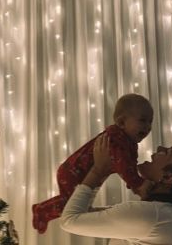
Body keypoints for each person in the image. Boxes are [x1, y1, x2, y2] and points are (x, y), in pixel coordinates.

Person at [32, 94, 154, 233]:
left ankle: (42, 210)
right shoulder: (116, 138)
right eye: (143, 120)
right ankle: (41, 210)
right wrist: (138, 184)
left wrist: (135, 185)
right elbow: (123, 166)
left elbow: (129, 165)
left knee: (78, 206)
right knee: (70, 205)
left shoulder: (129, 143)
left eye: (150, 121)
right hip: (72, 171)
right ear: (121, 123)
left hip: (79, 173)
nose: (148, 126)